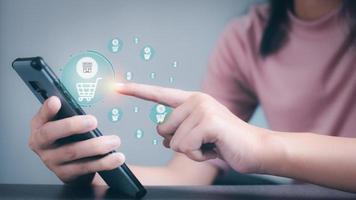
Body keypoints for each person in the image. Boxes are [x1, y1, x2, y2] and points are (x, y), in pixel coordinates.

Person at [28, 0, 356, 192]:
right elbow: (185, 176)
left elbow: (251, 148)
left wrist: (261, 146)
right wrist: (93, 171)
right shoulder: (247, 37)